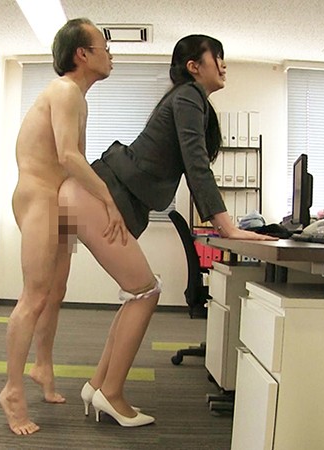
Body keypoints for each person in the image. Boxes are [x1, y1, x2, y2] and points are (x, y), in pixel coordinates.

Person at [58, 34, 277, 427]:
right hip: (99, 195)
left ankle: (98, 385)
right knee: (145, 291)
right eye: (217, 57)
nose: (223, 65)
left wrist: (226, 224)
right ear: (194, 66)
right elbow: (197, 165)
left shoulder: (189, 100)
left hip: (102, 194)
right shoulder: (188, 97)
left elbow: (192, 165)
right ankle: (111, 393)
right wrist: (228, 226)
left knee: (137, 292)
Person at [0, 18, 128, 435]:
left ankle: (43, 366)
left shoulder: (78, 98)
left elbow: (74, 166)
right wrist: (108, 200)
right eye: (104, 48)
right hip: (38, 196)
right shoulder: (64, 90)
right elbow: (68, 156)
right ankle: (12, 391)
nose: (111, 56)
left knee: (56, 292)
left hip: (58, 200)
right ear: (82, 55)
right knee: (34, 296)